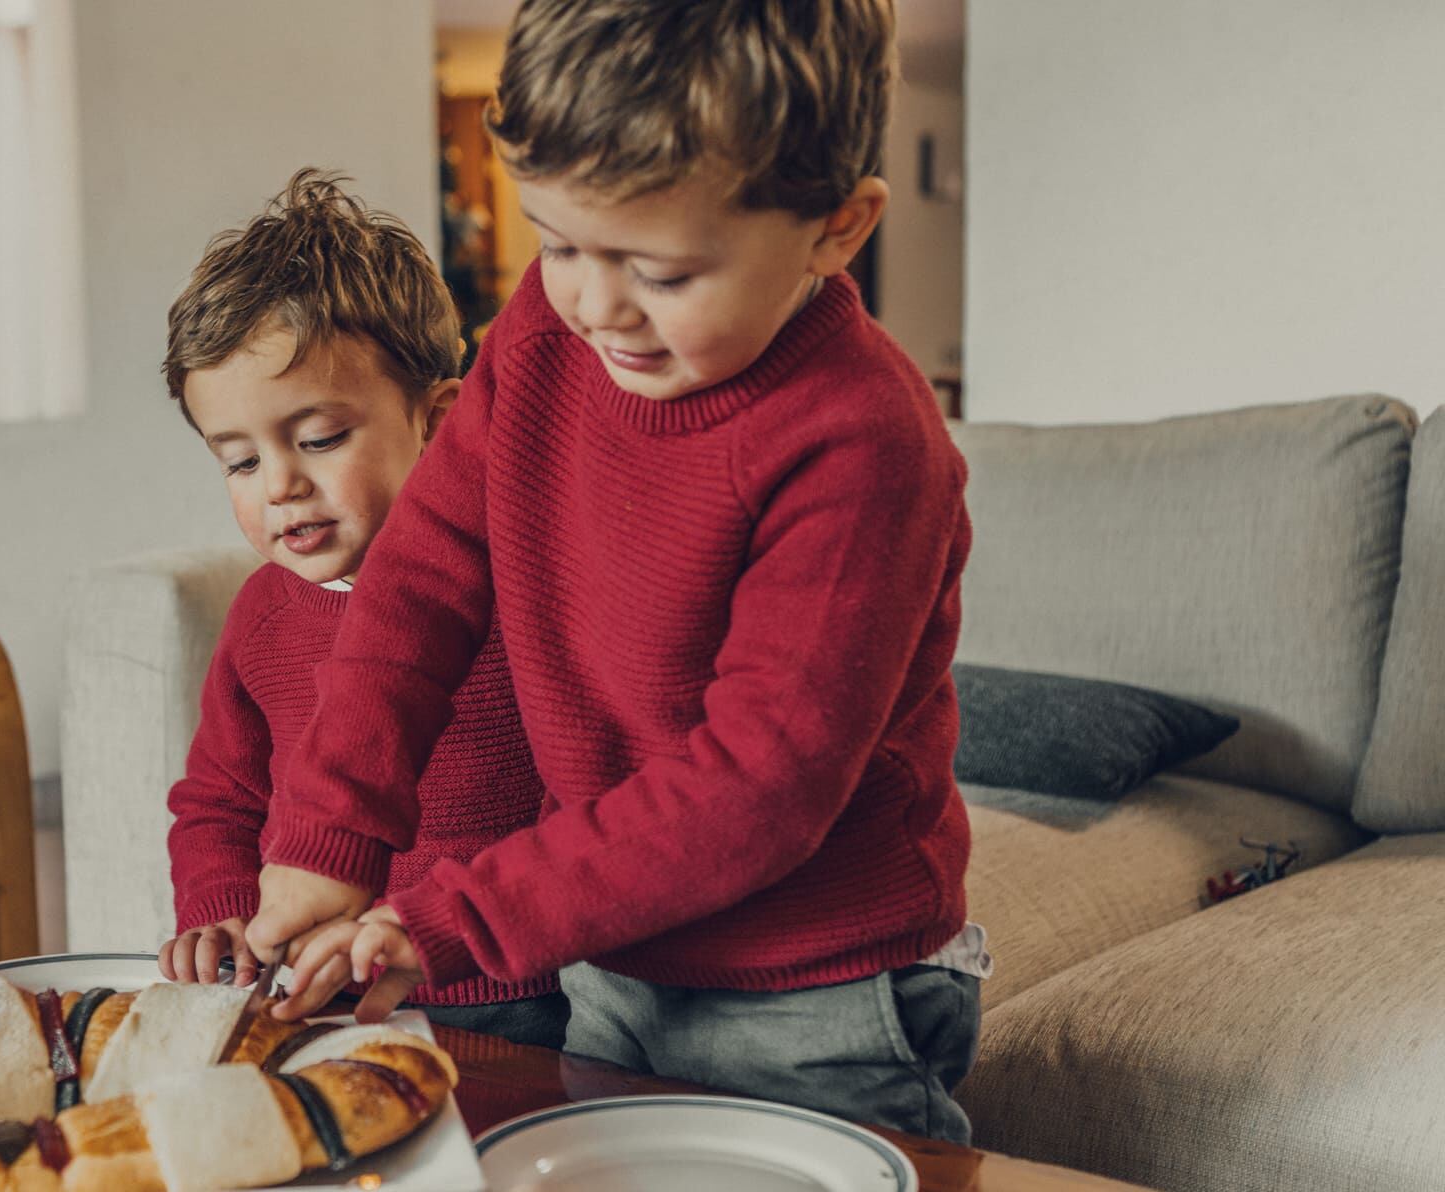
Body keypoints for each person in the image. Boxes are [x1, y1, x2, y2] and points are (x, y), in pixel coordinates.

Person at [246, 0, 989, 1143]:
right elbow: (419, 584)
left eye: (659, 269)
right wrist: (323, 833)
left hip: (814, 988)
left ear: (837, 229)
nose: (593, 304)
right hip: (607, 948)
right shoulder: (539, 339)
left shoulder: (863, 440)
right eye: (556, 241)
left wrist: (460, 914)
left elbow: (755, 787)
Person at [155, 169, 568, 1048]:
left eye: (319, 439)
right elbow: (219, 800)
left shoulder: (522, 587)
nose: (282, 486)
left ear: (441, 422)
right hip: (316, 992)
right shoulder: (262, 618)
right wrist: (222, 914)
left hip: (513, 986)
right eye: (239, 461)